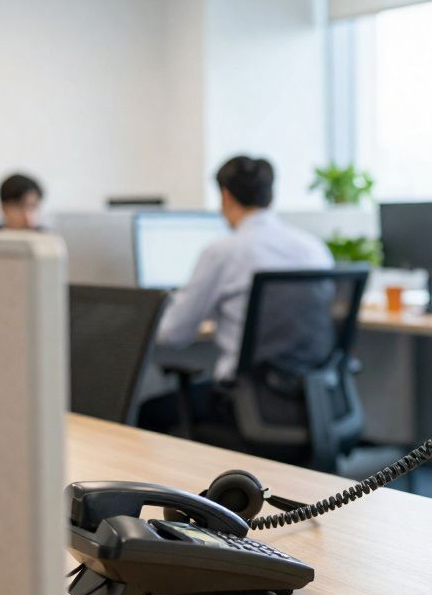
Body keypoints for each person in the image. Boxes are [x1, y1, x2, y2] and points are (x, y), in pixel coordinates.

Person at [142, 155, 333, 432]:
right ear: (271, 195)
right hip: (313, 401)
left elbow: (173, 334)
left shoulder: (224, 252)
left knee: (150, 413)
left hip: (247, 408)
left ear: (225, 196)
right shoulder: (314, 249)